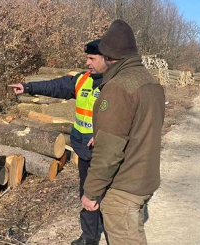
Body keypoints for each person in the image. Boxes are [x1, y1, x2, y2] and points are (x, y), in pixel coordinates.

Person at [9, 40, 107, 245]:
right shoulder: (82, 80)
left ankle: (115, 237)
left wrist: (106, 135)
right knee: (87, 194)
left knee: (109, 198)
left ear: (106, 58)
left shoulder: (115, 85)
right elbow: (56, 86)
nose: (87, 63)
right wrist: (28, 87)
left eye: (92, 59)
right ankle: (89, 238)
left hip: (108, 153)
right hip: (85, 151)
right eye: (87, 58)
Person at [81, 19, 165, 245]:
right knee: (134, 235)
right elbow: (140, 127)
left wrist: (90, 192)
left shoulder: (118, 87)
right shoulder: (150, 82)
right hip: (145, 179)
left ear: (108, 56)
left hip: (124, 186)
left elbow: (109, 151)